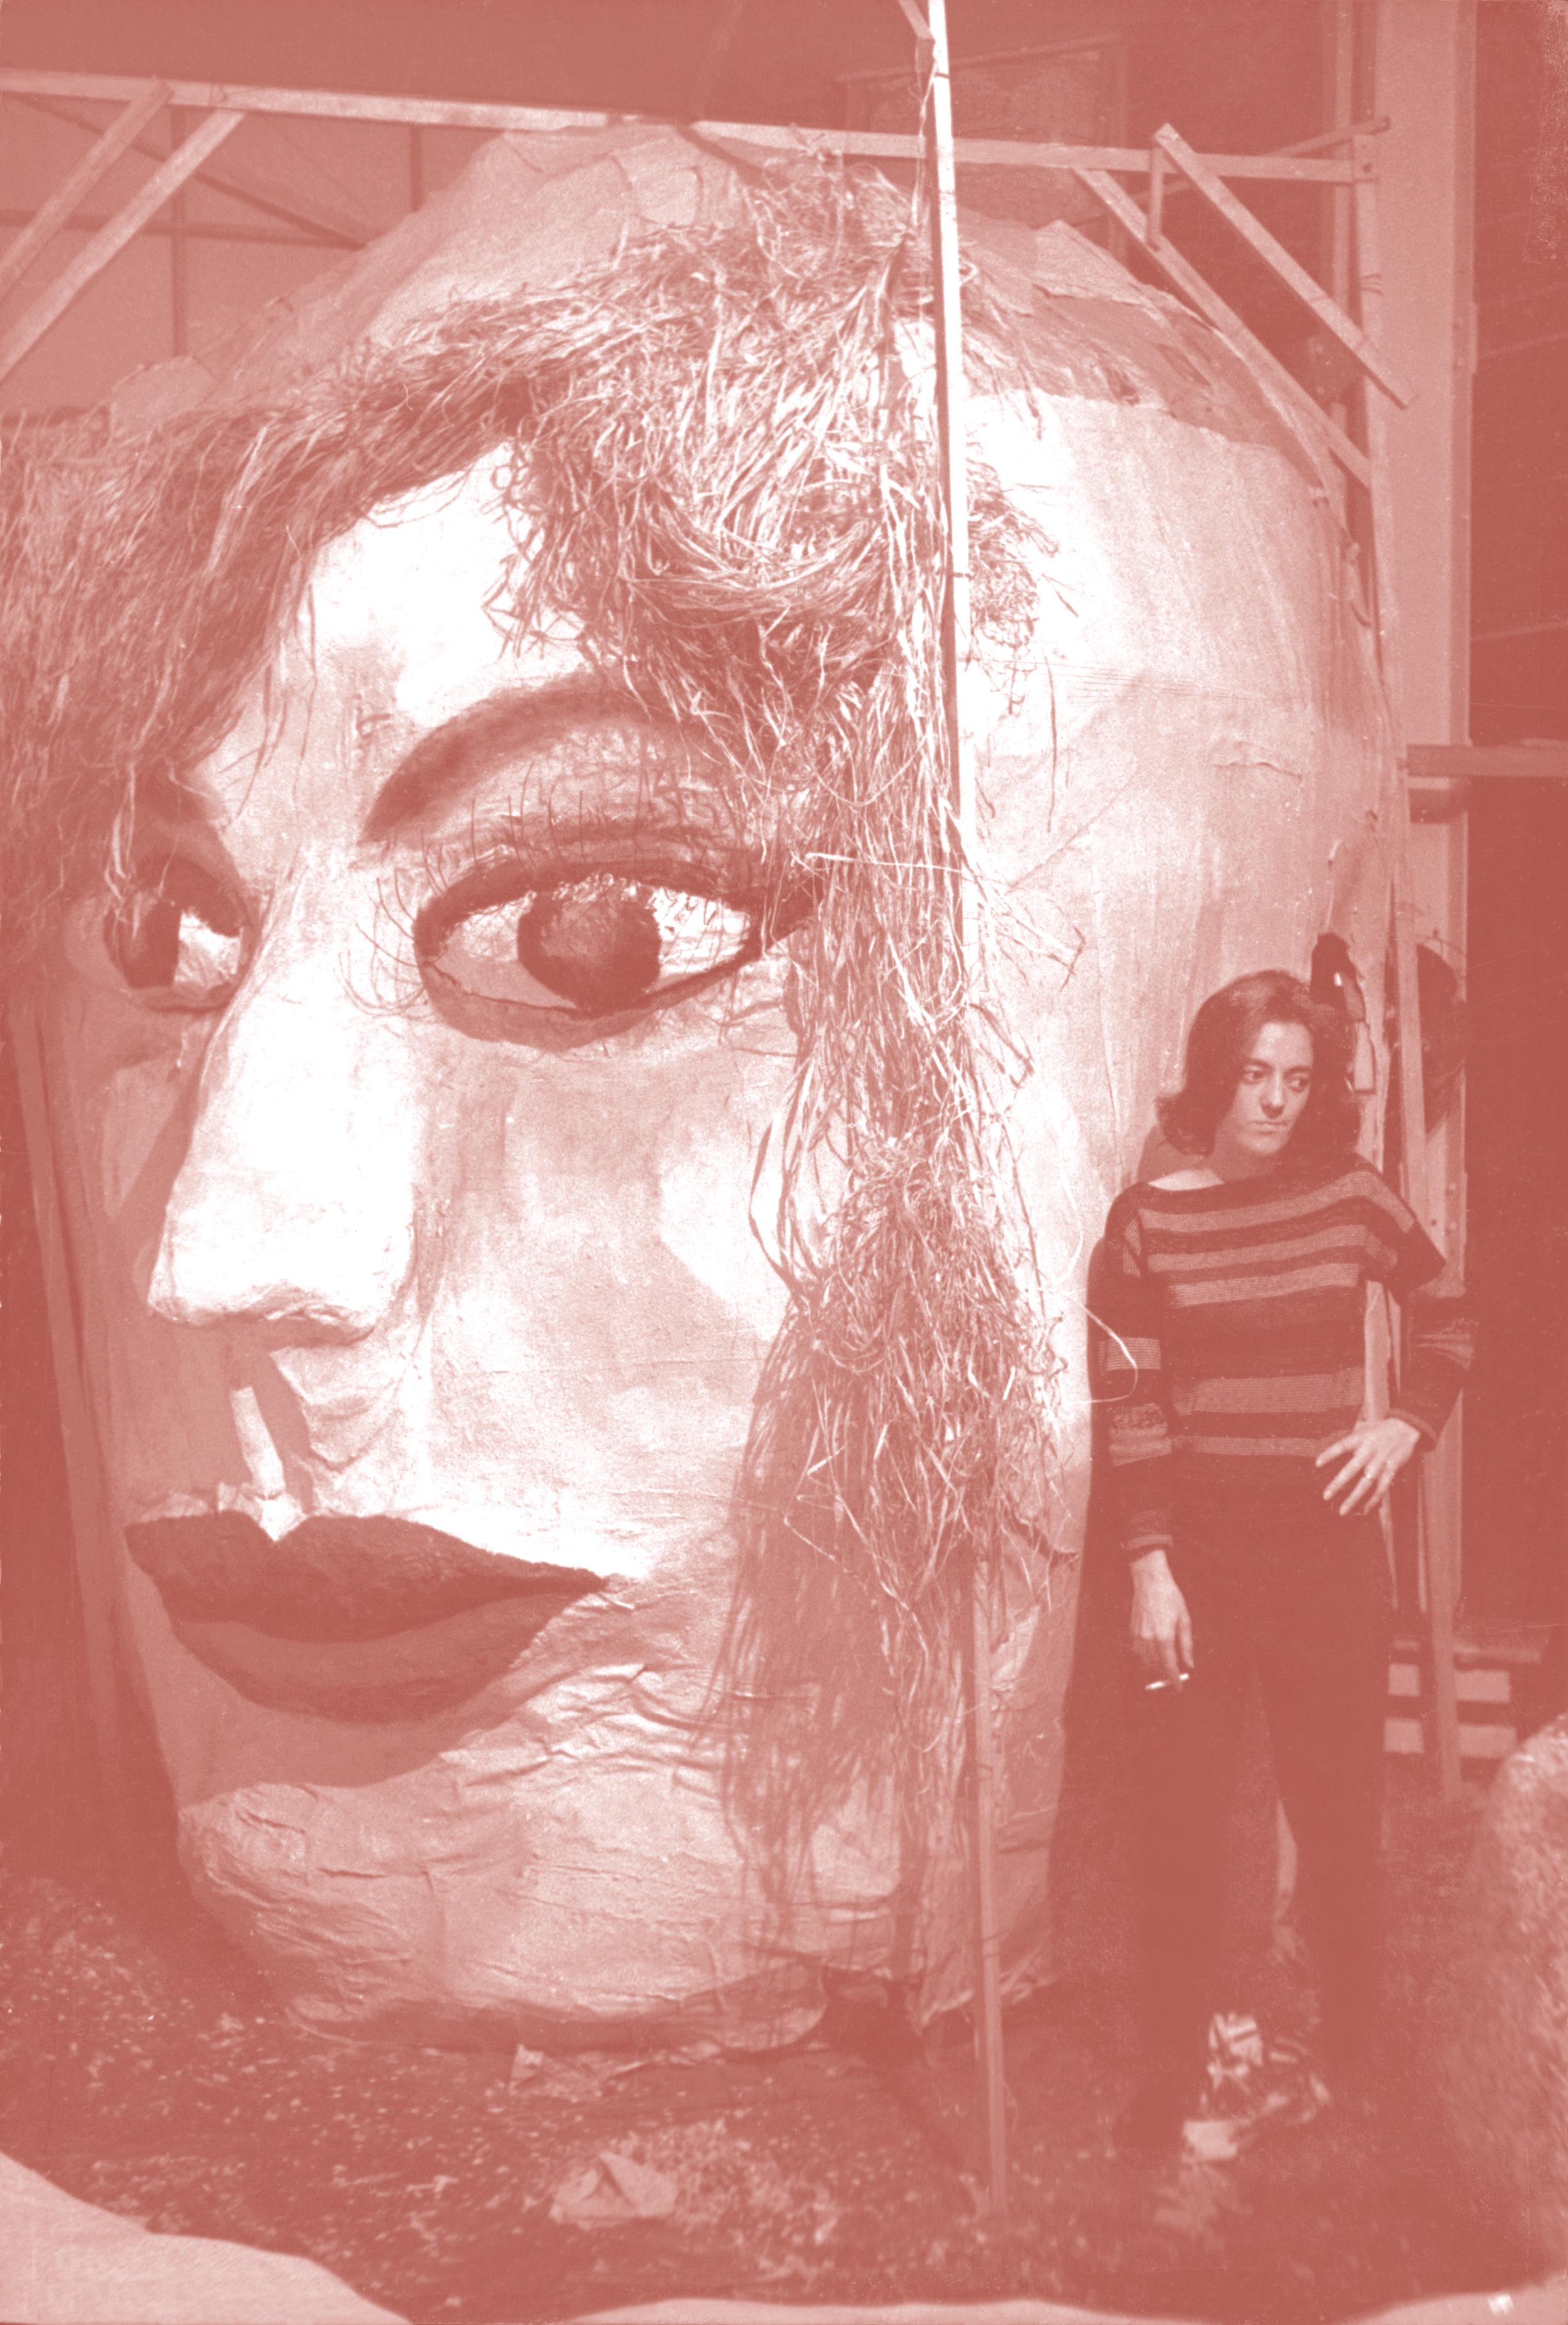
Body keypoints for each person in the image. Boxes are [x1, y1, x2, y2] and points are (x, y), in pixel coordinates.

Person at [1099, 968, 1474, 2150]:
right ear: (1215, 1077)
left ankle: (1353, 2058)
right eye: (1255, 1075)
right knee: (1185, 1823)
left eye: (1297, 1080)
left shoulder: (1350, 1198)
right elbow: (1129, 1406)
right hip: (1198, 1568)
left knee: (1339, 1816)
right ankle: (1177, 2069)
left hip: (1327, 1563)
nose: (1274, 1100)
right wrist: (1149, 1568)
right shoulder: (1144, 1222)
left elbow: (1450, 1309)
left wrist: (1405, 1423)